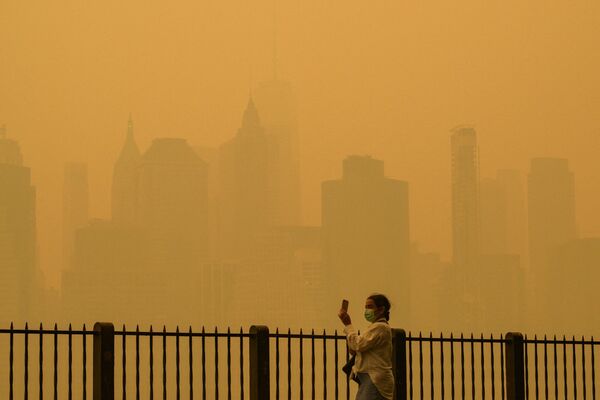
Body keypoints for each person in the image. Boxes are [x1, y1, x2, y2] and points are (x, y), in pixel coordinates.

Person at [338, 294, 394, 400]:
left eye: (370, 307)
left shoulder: (381, 327)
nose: (367, 310)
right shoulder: (374, 327)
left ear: (381, 309)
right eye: (366, 307)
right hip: (369, 379)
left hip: (375, 380)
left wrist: (348, 325)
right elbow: (354, 349)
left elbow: (358, 345)